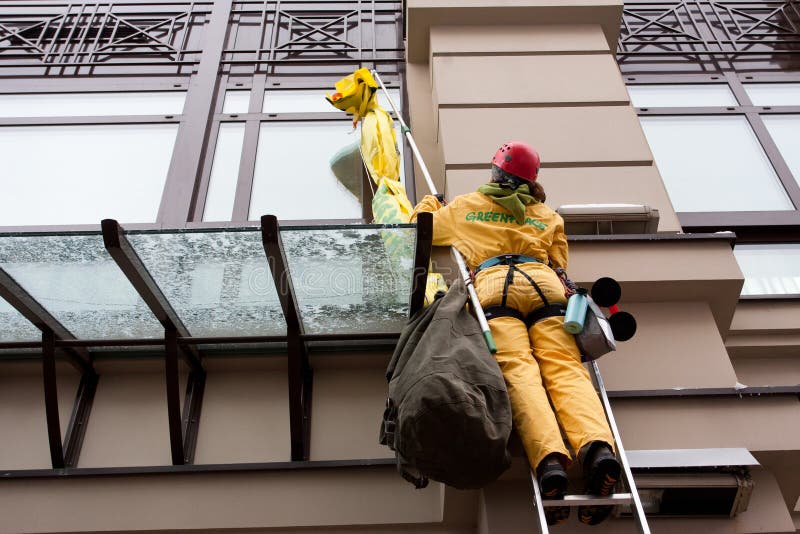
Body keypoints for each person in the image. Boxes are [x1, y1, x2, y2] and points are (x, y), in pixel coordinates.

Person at [412, 141, 621, 526]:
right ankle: (598, 451)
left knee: (520, 373)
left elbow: (419, 231)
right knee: (565, 370)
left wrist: (430, 203)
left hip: (495, 287)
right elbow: (559, 263)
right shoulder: (547, 215)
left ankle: (550, 463)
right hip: (546, 288)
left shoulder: (465, 206)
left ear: (496, 172)